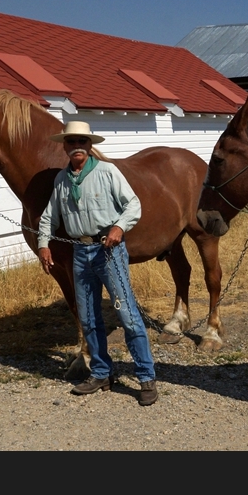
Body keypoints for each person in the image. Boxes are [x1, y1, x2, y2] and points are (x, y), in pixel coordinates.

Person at [37, 121, 157, 406]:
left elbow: (133, 204)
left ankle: (146, 377)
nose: (76, 146)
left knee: (127, 315)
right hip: (80, 253)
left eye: (82, 141)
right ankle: (101, 373)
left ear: (90, 145)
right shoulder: (62, 181)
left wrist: (119, 227)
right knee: (89, 318)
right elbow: (48, 218)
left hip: (110, 252)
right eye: (71, 141)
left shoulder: (108, 172)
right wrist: (43, 243)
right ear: (64, 146)